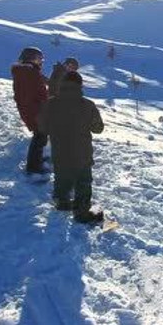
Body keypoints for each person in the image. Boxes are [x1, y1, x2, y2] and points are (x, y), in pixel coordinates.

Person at [38, 71, 105, 223]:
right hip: (82, 153)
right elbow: (98, 128)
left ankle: (62, 203)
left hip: (60, 151)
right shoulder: (87, 105)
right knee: (83, 181)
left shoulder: (51, 103)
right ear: (80, 86)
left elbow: (42, 127)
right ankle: (82, 212)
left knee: (62, 176)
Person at [11, 47, 49, 174]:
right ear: (32, 58)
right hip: (34, 109)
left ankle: (36, 161)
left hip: (30, 108)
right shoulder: (30, 73)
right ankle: (33, 168)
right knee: (40, 137)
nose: (41, 62)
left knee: (40, 136)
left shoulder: (24, 71)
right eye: (39, 59)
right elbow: (40, 93)